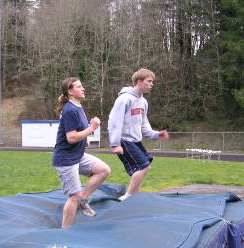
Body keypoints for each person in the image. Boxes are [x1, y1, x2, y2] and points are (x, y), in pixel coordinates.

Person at [52, 77, 111, 228]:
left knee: (103, 170)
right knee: (73, 197)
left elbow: (77, 132)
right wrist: (92, 128)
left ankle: (83, 199)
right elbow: (71, 138)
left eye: (82, 86)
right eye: (79, 87)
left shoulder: (78, 106)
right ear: (70, 92)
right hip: (66, 159)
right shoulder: (70, 110)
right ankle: (65, 232)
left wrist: (85, 138)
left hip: (77, 156)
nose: (83, 89)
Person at [108, 68, 169, 201]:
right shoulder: (124, 99)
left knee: (145, 166)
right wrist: (115, 144)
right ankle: (128, 197)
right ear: (139, 81)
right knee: (143, 167)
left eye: (152, 82)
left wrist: (156, 134)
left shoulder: (143, 102)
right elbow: (114, 121)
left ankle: (132, 194)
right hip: (124, 140)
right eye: (149, 81)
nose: (152, 84)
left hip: (135, 141)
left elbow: (144, 124)